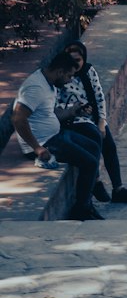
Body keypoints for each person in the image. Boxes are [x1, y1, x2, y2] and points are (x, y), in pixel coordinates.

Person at [12, 50, 104, 220]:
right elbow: (18, 119)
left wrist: (72, 112)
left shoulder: (49, 83)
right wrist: (37, 148)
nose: (70, 80)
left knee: (93, 145)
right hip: (45, 143)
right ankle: (81, 209)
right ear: (60, 72)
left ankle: (87, 201)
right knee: (89, 162)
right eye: (69, 76)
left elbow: (50, 113)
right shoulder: (35, 88)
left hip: (56, 135)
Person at [57, 41, 127, 205]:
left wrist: (102, 120)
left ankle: (118, 188)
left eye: (78, 60)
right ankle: (95, 181)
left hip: (93, 117)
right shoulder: (63, 76)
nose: (75, 64)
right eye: (71, 59)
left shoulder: (89, 71)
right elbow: (57, 103)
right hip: (74, 119)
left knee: (109, 145)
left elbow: (99, 96)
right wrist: (76, 109)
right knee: (94, 138)